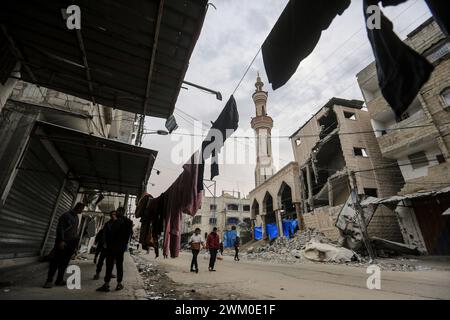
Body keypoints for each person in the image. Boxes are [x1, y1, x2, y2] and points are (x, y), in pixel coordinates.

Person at [43, 202, 85, 288]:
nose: (82, 210)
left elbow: (75, 231)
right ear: (78, 208)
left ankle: (59, 280)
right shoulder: (66, 215)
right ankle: (49, 281)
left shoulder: (76, 217)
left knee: (64, 263)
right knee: (55, 262)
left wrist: (75, 246)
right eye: (82, 209)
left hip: (71, 244)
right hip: (63, 242)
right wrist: (61, 241)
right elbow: (60, 228)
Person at [96, 207, 133, 292]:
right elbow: (128, 236)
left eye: (117, 212)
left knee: (110, 266)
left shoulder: (114, 222)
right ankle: (118, 284)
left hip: (112, 247)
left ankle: (107, 284)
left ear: (119, 212)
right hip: (118, 248)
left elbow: (109, 234)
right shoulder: (128, 222)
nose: (116, 213)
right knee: (117, 266)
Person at [93, 212, 116, 280]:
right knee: (101, 260)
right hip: (105, 246)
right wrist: (104, 243)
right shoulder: (107, 224)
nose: (113, 216)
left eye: (114, 214)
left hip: (113, 247)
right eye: (112, 214)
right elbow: (104, 234)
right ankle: (97, 273)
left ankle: (110, 273)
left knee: (111, 262)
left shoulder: (118, 223)